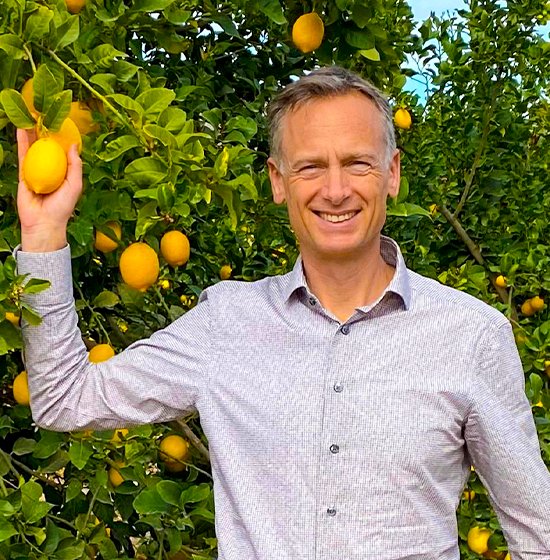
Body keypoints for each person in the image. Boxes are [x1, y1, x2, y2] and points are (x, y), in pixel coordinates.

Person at [15, 66, 550, 559]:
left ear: (391, 173)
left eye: (357, 163)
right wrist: (42, 235)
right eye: (311, 166)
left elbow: (537, 529)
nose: (335, 190)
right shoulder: (225, 325)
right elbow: (64, 400)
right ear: (277, 180)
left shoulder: (471, 334)